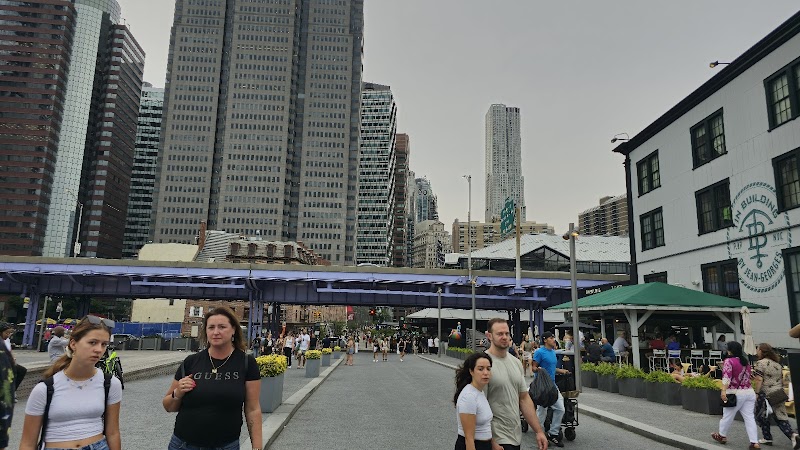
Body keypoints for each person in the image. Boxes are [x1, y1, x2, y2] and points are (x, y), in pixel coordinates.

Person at [162, 305, 261, 450]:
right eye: (211, 327)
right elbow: (168, 406)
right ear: (206, 331)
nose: (216, 332)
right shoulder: (191, 361)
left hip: (226, 446)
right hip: (184, 445)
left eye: (222, 327)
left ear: (233, 329)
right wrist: (178, 393)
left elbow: (252, 409)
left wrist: (257, 447)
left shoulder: (246, 363)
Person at [20, 315, 122, 450]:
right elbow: (28, 443)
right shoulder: (45, 389)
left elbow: (113, 432)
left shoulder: (109, 383)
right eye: (92, 342)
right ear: (73, 344)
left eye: (104, 344)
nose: (99, 349)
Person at [484, 318, 548, 450]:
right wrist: (490, 441)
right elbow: (478, 407)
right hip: (495, 438)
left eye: (507, 334)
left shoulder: (516, 362)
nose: (504, 337)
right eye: (499, 334)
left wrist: (538, 431)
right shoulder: (483, 364)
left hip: (514, 436)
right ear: (489, 336)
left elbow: (524, 398)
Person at [711, 341, 760, 449]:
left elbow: (726, 378)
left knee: (727, 416)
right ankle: (754, 442)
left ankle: (722, 435)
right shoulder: (745, 361)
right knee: (749, 418)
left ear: (730, 350)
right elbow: (750, 376)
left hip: (735, 393)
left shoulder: (729, 361)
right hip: (749, 391)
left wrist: (723, 390)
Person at [752, 343, 799, 448]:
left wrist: (757, 393)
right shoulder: (777, 364)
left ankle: (768, 437)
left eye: (757, 349)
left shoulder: (760, 363)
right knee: (780, 416)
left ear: (762, 351)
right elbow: (781, 380)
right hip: (778, 393)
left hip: (766, 394)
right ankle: (793, 436)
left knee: (761, 415)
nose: (756, 351)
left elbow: (759, 379)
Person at [533, 331, 569, 448]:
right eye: (551, 337)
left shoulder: (553, 352)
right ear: (545, 340)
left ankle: (553, 434)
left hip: (553, 385)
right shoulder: (539, 352)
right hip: (542, 386)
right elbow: (533, 368)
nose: (554, 339)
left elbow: (552, 368)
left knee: (560, 408)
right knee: (541, 412)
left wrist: (561, 371)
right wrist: (538, 369)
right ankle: (541, 435)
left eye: (553, 337)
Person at [454, 352, 494, 450]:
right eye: (480, 369)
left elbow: (485, 427)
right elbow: (469, 438)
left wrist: (493, 444)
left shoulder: (479, 392)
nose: (485, 372)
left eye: (488, 369)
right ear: (471, 371)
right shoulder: (469, 396)